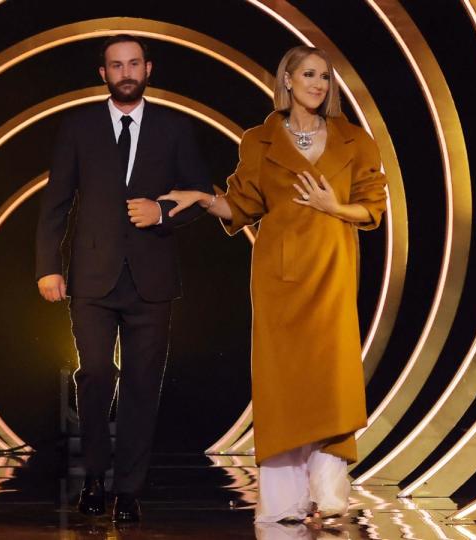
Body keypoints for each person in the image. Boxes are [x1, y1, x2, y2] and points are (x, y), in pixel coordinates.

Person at [158, 45, 387, 523]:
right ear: (286, 79)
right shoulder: (258, 140)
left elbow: (372, 208)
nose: (319, 84)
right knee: (282, 381)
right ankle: (284, 501)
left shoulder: (355, 140)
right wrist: (203, 198)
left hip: (333, 271)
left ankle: (328, 492)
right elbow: (241, 205)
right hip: (278, 275)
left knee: (331, 376)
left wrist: (333, 208)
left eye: (325, 77)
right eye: (309, 74)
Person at [35, 34, 211, 523]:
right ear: (103, 74)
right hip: (91, 276)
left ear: (149, 69)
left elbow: (201, 192)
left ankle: (129, 490)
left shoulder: (175, 127)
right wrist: (48, 265)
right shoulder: (79, 126)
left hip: (151, 278)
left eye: (134, 63)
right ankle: (93, 478)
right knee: (95, 375)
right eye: (116, 65)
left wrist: (163, 213)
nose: (126, 72)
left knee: (141, 384)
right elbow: (56, 201)